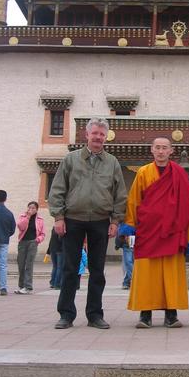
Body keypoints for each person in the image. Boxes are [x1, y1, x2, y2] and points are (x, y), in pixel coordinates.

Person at [48, 117, 127, 329]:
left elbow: (120, 195)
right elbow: (57, 190)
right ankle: (66, 313)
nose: (98, 137)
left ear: (106, 137)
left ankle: (94, 314)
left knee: (97, 270)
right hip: (73, 220)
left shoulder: (112, 163)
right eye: (95, 133)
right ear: (87, 135)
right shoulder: (71, 159)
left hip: (101, 221)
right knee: (70, 269)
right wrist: (58, 217)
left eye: (102, 134)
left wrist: (116, 220)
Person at [124, 137, 189, 328]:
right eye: (158, 148)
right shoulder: (143, 172)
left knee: (171, 274)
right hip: (148, 231)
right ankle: (145, 314)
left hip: (172, 231)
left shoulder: (179, 173)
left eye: (165, 148)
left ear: (171, 151)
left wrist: (188, 233)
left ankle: (171, 314)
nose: (161, 151)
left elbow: (187, 203)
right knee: (147, 273)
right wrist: (130, 225)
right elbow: (134, 200)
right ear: (152, 150)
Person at [15, 201, 45, 294]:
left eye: (33, 208)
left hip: (33, 242)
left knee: (29, 264)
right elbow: (21, 227)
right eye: (29, 207)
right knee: (21, 264)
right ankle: (22, 286)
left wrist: (38, 240)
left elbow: (43, 234)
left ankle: (28, 287)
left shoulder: (40, 219)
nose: (31, 209)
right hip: (22, 242)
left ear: (36, 209)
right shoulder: (23, 216)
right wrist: (27, 217)